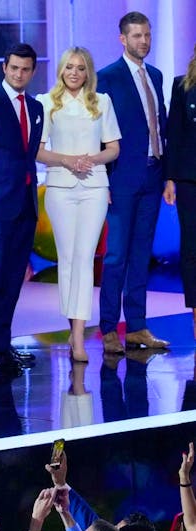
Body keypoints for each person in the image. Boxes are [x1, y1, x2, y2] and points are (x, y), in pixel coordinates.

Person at [36, 46, 121, 363]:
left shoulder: (102, 102)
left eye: (81, 68)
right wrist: (69, 161)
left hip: (95, 186)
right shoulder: (46, 103)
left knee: (85, 259)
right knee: (68, 260)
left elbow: (113, 147)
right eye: (69, 67)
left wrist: (92, 160)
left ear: (89, 72)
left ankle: (78, 335)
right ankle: (72, 326)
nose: (74, 72)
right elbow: (39, 151)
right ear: (61, 70)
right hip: (59, 186)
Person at [97, 12, 169, 354]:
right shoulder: (107, 78)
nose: (144, 41)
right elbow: (98, 133)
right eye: (137, 35)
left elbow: (161, 125)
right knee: (116, 257)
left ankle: (137, 327)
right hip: (122, 178)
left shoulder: (155, 75)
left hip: (153, 175)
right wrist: (104, 181)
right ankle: (109, 328)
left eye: (147, 35)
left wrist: (167, 173)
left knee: (142, 254)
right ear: (123, 39)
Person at [0, 44, 45, 377]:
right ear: (4, 67)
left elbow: (28, 155)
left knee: (15, 278)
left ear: (32, 70)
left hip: (26, 203)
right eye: (14, 68)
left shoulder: (35, 106)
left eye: (26, 69)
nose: (19, 74)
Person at [164, 44, 196, 338]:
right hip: (189, 178)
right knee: (192, 245)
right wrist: (170, 178)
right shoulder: (181, 85)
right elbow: (173, 132)